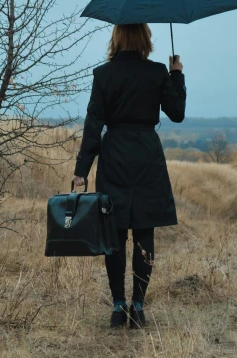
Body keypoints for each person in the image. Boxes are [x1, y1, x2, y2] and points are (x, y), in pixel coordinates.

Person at [73, 23, 186, 329]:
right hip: (147, 155)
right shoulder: (157, 72)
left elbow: (93, 124)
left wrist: (81, 172)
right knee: (144, 232)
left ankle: (117, 306)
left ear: (117, 37)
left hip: (115, 157)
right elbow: (176, 113)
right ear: (145, 39)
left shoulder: (103, 74)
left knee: (116, 233)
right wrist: (176, 73)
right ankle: (138, 307)